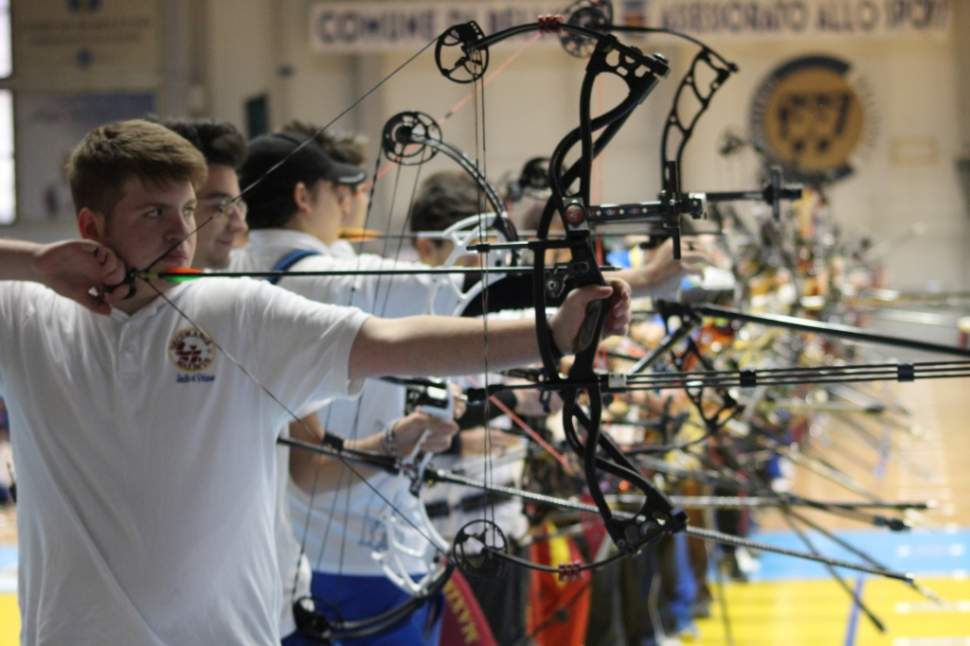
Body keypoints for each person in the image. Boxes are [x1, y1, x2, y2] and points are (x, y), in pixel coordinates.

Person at [0, 118, 632, 646]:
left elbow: (391, 342)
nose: (181, 232)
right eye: (154, 213)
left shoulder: (237, 309)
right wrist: (34, 261)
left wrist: (554, 331)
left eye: (190, 209)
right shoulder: (29, 316)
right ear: (91, 226)